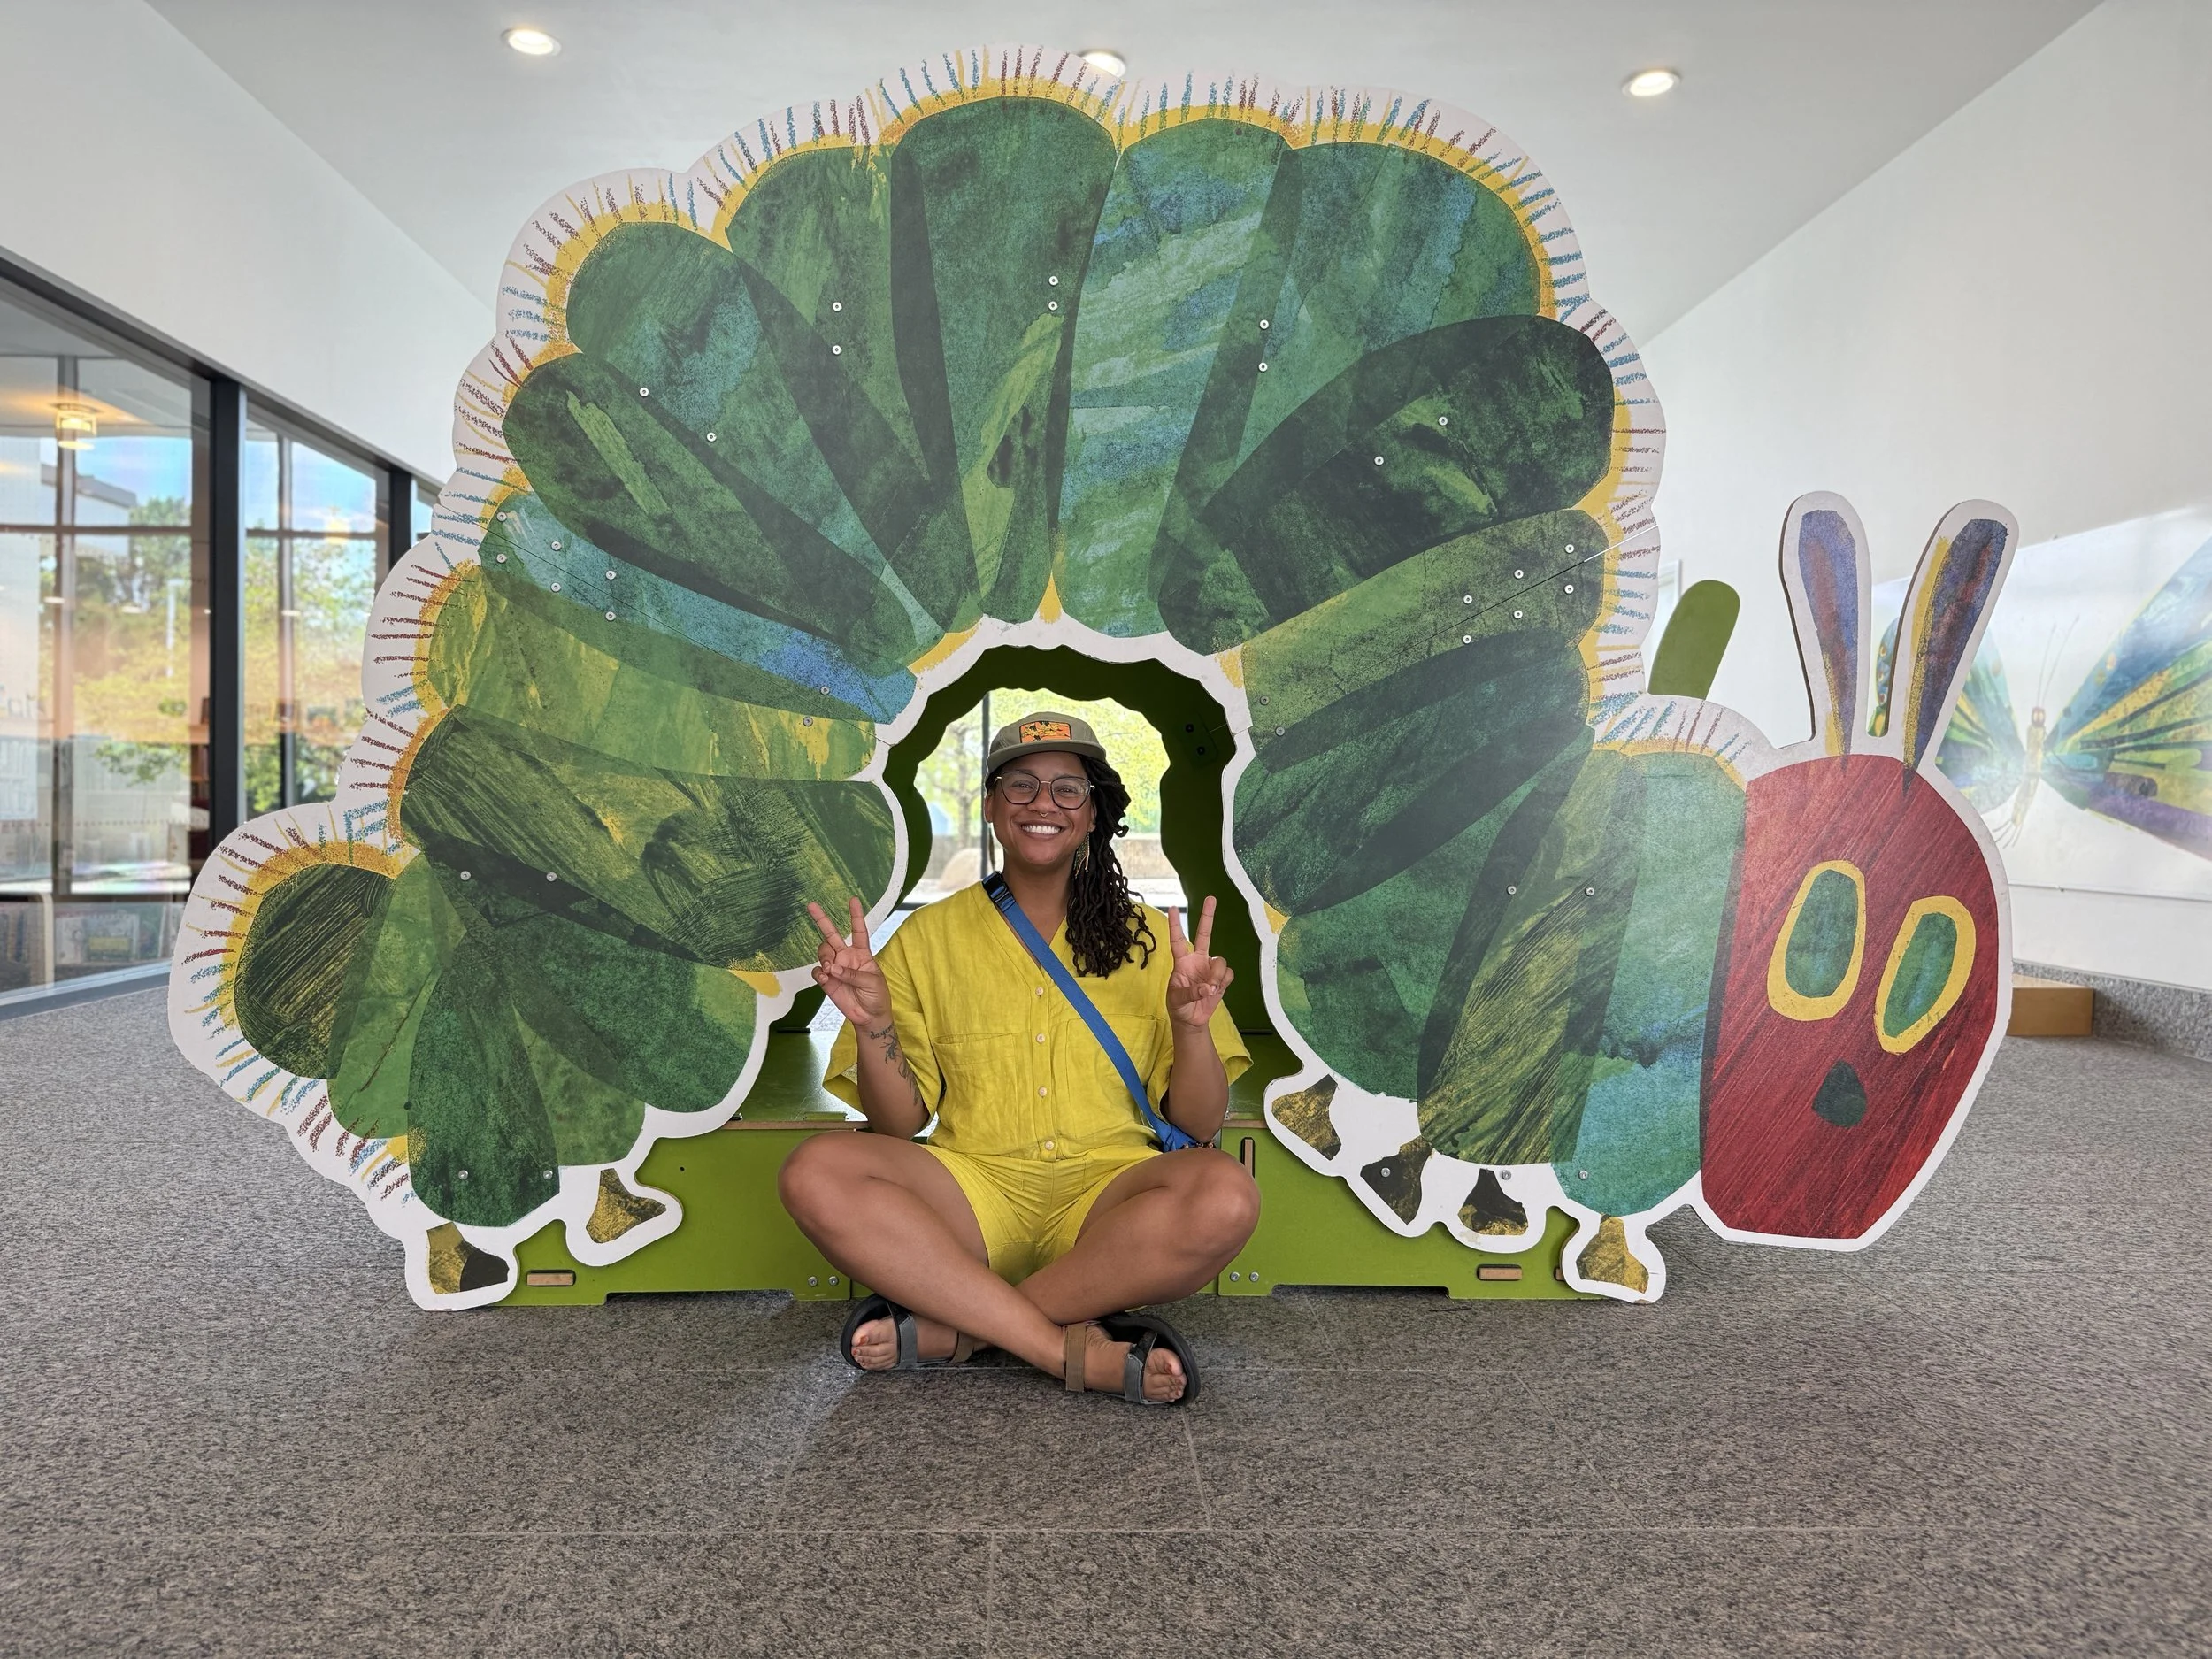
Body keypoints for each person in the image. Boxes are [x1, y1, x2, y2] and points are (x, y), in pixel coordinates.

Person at [779, 710, 1260, 1404]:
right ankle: (1059, 1346)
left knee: (1227, 1194)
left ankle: (960, 1330)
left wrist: (1191, 1026)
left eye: (1068, 789)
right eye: (1022, 786)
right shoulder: (927, 937)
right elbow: (896, 1124)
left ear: (1094, 812)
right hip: (971, 1193)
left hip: (1107, 1197)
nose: (1044, 803)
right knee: (815, 1171)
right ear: (995, 808)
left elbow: (1201, 1119)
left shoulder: (1154, 939)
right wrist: (876, 1021)